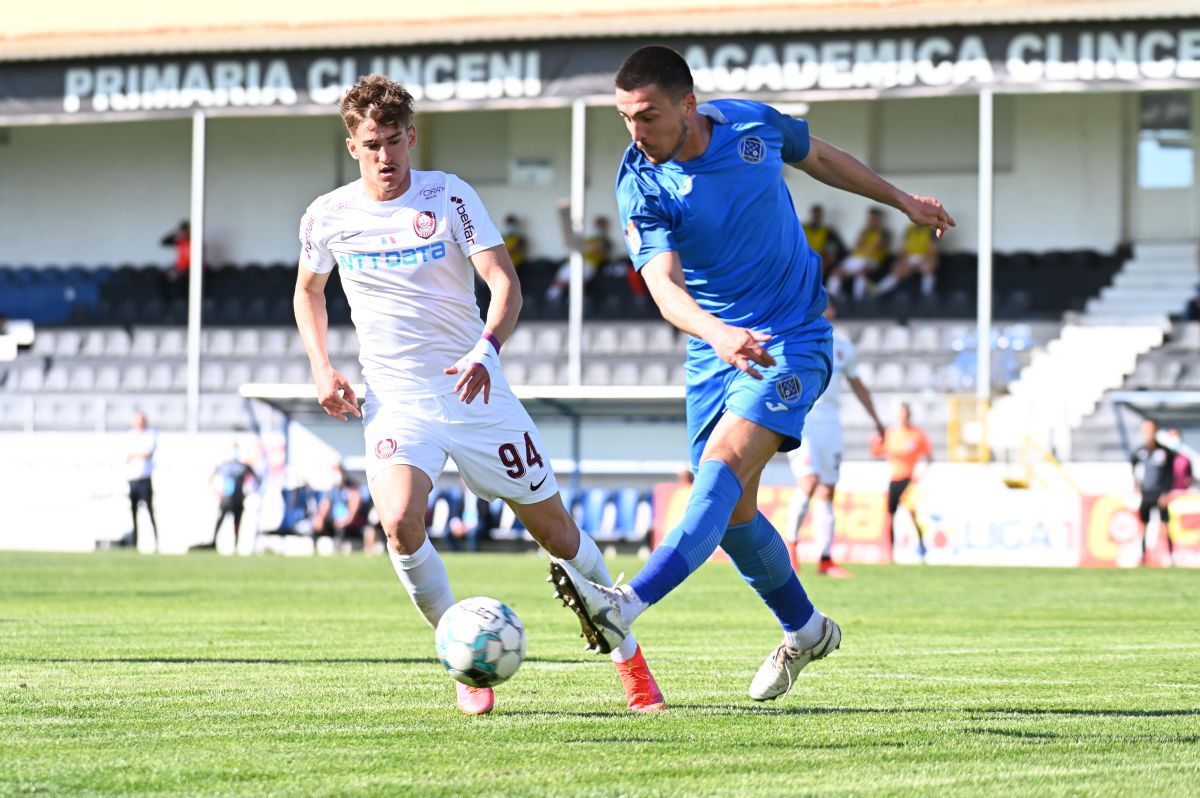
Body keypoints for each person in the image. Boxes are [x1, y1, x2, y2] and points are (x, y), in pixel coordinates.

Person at [547, 45, 953, 702]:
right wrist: (716, 333)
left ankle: (625, 603)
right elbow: (662, 285)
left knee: (721, 472)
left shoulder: (751, 126)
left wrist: (901, 200)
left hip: (793, 338)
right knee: (734, 518)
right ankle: (806, 628)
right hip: (716, 350)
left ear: (688, 105)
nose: (635, 132)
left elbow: (819, 156)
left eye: (646, 116)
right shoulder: (641, 183)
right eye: (625, 118)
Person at [293, 74, 663, 716]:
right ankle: (464, 662)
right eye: (372, 144)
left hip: (477, 394)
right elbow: (307, 291)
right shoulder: (328, 215)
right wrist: (322, 368)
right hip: (397, 400)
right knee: (400, 520)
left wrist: (486, 348)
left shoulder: (450, 196)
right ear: (352, 146)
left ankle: (630, 658)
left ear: (413, 137)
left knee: (558, 534)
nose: (386, 156)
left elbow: (504, 283)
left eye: (395, 141)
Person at [786, 297, 886, 578]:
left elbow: (857, 385)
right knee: (808, 482)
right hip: (804, 422)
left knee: (828, 490)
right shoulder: (796, 339)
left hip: (831, 425)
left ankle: (825, 559)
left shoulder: (842, 347)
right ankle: (791, 551)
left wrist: (877, 421)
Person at [870, 403, 933, 560]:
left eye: (905, 413)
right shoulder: (891, 434)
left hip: (910, 481)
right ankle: (890, 554)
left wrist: (920, 475)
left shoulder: (917, 435)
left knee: (913, 516)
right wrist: (874, 443)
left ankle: (922, 546)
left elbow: (929, 457)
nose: (903, 416)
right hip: (895, 480)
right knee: (890, 515)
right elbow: (877, 453)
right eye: (901, 413)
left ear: (909, 415)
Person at [195, 443, 259, 552]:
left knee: (237, 523)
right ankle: (214, 543)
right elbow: (210, 479)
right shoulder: (225, 465)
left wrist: (248, 492)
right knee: (220, 521)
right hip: (226, 500)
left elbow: (256, 481)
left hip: (238, 500)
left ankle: (235, 546)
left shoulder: (244, 466)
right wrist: (217, 492)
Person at [1131, 419, 1177, 566]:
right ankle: (1143, 557)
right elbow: (1133, 468)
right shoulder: (1140, 451)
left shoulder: (1165, 452)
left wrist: (1166, 493)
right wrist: (1136, 485)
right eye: (1145, 429)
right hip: (1146, 493)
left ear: (1156, 430)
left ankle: (1170, 558)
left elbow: (1170, 474)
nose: (1148, 432)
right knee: (1144, 525)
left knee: (1165, 525)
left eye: (1150, 429)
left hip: (1160, 493)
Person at [826, 207, 891, 301]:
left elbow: (875, 248)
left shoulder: (883, 232)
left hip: (871, 260)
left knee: (861, 271)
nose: (872, 221)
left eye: (874, 219)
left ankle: (858, 300)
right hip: (856, 258)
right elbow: (855, 247)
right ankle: (831, 299)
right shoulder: (864, 232)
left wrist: (864, 246)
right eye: (870, 218)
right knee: (837, 272)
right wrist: (864, 236)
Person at [313, 464, 377, 554]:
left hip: (353, 520)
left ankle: (369, 554)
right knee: (317, 524)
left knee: (369, 530)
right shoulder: (331, 489)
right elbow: (325, 504)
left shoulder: (352, 487)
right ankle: (316, 551)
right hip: (334, 520)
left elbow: (354, 502)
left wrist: (347, 520)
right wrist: (319, 518)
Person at [546, 215, 611, 301]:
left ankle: (574, 301)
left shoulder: (605, 239)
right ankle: (551, 299)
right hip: (576, 262)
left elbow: (594, 248)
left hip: (590, 265)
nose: (599, 227)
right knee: (561, 276)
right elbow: (575, 248)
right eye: (598, 224)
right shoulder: (590, 238)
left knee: (578, 279)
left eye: (601, 225)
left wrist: (583, 247)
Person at [125, 410, 159, 551]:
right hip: (132, 479)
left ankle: (156, 542)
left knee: (150, 511)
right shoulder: (130, 435)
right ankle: (134, 543)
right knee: (133, 512)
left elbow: (147, 453)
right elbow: (127, 454)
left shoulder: (150, 434)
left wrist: (135, 454)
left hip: (145, 479)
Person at [876, 221, 939, 297]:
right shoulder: (909, 230)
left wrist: (923, 261)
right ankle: (878, 291)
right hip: (910, 259)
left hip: (925, 258)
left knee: (928, 268)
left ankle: (927, 295)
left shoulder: (931, 231)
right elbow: (903, 250)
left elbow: (933, 251)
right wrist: (900, 261)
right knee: (898, 270)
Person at [802, 204, 845, 276]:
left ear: (821, 216)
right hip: (803, 255)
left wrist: (830, 255)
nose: (816, 218)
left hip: (819, 256)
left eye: (818, 216)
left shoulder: (827, 230)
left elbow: (839, 246)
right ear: (811, 215)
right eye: (815, 215)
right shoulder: (803, 228)